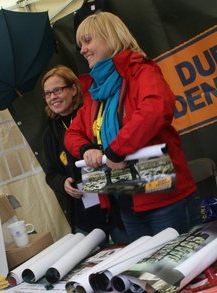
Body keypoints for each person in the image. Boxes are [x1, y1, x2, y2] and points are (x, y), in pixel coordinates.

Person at [64, 12, 201, 241]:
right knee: (142, 274)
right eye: (80, 44)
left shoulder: (141, 71)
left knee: (174, 270)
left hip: (162, 196)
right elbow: (72, 133)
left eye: (87, 40)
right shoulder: (95, 92)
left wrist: (117, 149)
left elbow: (155, 109)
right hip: (124, 198)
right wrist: (87, 149)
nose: (82, 50)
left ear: (110, 36)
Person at [41, 65, 128, 242]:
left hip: (115, 207)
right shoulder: (49, 133)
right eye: (47, 93)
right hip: (84, 216)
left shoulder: (93, 114)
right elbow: (51, 174)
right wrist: (62, 182)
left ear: (73, 89)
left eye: (57, 90)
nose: (52, 97)